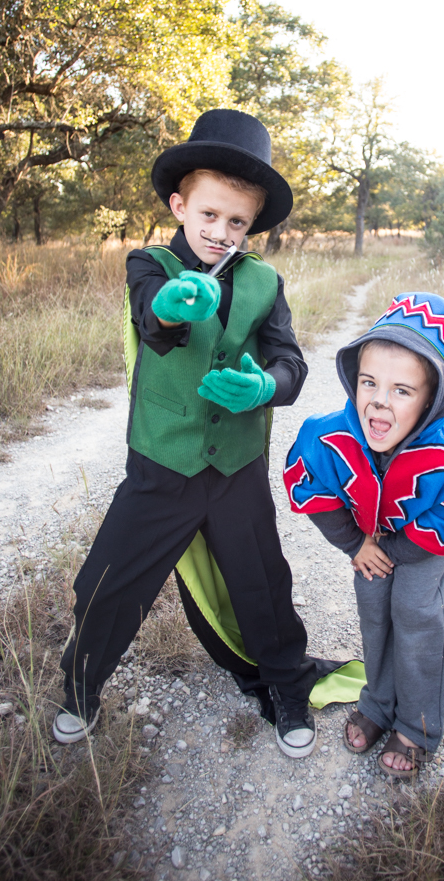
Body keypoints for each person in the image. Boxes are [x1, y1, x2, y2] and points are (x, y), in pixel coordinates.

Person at [54, 108, 317, 759]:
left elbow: (291, 362)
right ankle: (80, 687)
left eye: (237, 221)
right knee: (108, 582)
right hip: (161, 467)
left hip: (235, 470)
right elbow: (152, 316)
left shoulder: (263, 281)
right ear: (180, 203)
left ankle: (286, 685)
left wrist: (265, 387)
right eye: (208, 215)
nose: (221, 232)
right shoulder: (148, 264)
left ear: (251, 222)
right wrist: (172, 305)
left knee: (262, 583)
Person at [283, 291, 444, 777]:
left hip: (425, 542)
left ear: (432, 401)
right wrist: (358, 545)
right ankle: (379, 701)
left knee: (416, 611)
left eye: (403, 390)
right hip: (370, 540)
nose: (379, 399)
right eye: (369, 382)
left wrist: (390, 549)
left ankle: (419, 724)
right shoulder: (329, 436)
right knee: (374, 606)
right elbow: (310, 487)